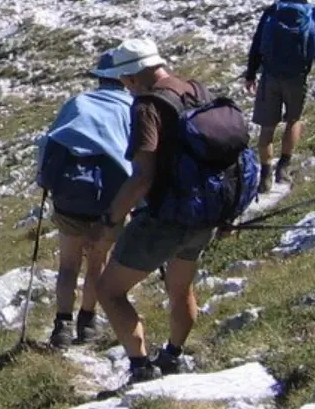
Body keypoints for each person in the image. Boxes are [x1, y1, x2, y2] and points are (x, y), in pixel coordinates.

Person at [93, 39, 255, 384]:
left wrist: (111, 220)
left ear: (134, 76)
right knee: (181, 288)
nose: (125, 86)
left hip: (166, 217)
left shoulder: (147, 107)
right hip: (206, 213)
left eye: (125, 80)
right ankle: (172, 356)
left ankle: (140, 367)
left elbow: (141, 177)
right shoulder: (197, 90)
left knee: (109, 290)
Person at [33, 51, 134, 348]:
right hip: (110, 202)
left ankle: (61, 326)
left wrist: (44, 181)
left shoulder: (77, 103)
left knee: (68, 265)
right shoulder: (130, 107)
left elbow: (49, 143)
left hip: (70, 199)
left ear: (99, 78)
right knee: (97, 263)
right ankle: (87, 322)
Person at [243, 0, 315, 191]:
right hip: (297, 78)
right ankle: (284, 167)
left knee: (267, 127)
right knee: (294, 120)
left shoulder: (272, 11)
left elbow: (257, 45)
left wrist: (251, 74)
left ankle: (265, 175)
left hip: (270, 77)